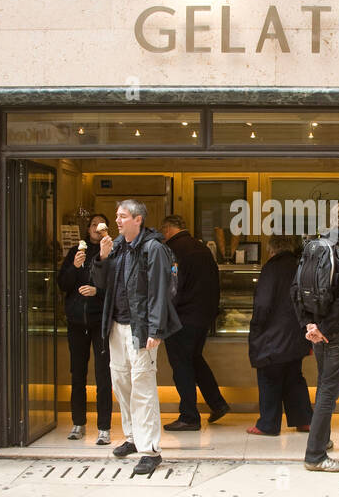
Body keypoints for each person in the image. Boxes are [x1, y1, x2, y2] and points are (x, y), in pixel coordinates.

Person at [92, 200, 181, 476]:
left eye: (123, 216)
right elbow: (101, 284)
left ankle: (150, 450)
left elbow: (160, 290)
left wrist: (155, 330)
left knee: (142, 386)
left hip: (140, 328)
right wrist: (102, 259)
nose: (117, 220)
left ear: (138, 219)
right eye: (117, 216)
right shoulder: (117, 245)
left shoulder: (153, 248)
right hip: (116, 326)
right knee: (121, 382)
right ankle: (132, 436)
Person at [296, 199, 339, 473]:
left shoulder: (313, 245)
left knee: (324, 385)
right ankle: (315, 455)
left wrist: (309, 324)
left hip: (317, 331)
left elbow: (296, 287)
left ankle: (322, 439)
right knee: (328, 391)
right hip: (335, 331)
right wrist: (325, 328)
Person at [158, 214, 230, 431]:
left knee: (182, 367)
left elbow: (172, 287)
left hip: (181, 318)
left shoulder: (173, 250)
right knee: (194, 360)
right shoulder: (201, 248)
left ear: (168, 229)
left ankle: (189, 416)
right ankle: (217, 403)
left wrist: (164, 314)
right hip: (203, 318)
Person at [247, 234, 313, 436]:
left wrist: (256, 327)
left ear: (272, 250)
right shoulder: (300, 267)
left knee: (269, 376)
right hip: (297, 333)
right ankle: (304, 421)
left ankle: (268, 424)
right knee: (293, 376)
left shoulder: (271, 268)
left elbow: (263, 303)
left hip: (272, 335)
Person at [56, 213, 112, 445]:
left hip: (99, 321)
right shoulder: (76, 253)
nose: (95, 229)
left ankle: (104, 428)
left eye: (100, 226)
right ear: (87, 229)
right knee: (77, 373)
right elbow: (63, 284)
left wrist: (96, 292)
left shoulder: (112, 252)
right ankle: (78, 423)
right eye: (92, 225)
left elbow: (117, 286)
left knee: (103, 375)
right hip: (77, 322)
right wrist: (74, 267)